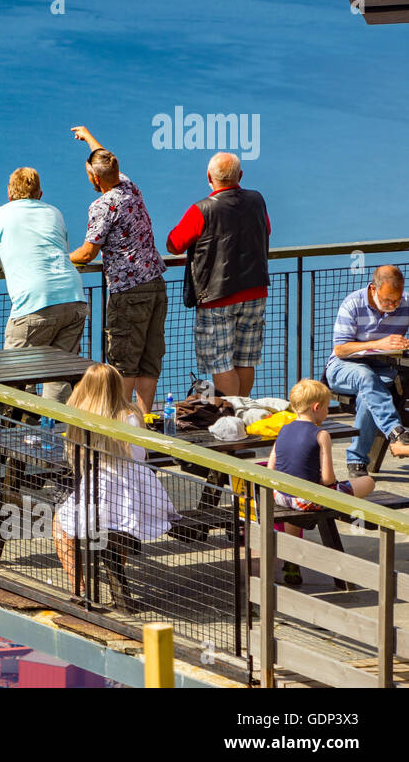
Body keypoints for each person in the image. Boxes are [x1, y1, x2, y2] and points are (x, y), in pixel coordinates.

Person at [66, 126, 168, 413]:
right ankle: (144, 420)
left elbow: (88, 252)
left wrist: (60, 260)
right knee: (149, 358)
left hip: (128, 291)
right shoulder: (129, 187)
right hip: (155, 284)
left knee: (124, 359)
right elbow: (107, 161)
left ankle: (122, 425)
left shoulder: (103, 205)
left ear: (95, 178)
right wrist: (88, 138)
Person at [52, 364, 179, 592]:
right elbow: (140, 455)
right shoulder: (133, 414)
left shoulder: (83, 417)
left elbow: (77, 459)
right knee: (120, 528)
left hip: (103, 487)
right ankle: (115, 582)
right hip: (141, 493)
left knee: (60, 524)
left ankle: (77, 586)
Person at [0, 167, 88, 405]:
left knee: (11, 375)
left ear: (9, 193)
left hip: (34, 303)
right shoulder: (54, 213)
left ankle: (15, 433)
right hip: (74, 298)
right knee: (59, 374)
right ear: (40, 194)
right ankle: (57, 434)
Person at [166, 152, 271, 399]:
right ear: (240, 176)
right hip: (255, 291)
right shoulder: (257, 200)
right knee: (246, 359)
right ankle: (243, 411)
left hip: (216, 297)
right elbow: (267, 229)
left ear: (209, 177)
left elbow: (174, 244)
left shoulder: (201, 209)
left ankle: (230, 416)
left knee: (220, 363)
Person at [267, 379, 376, 585]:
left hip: (281, 497)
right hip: (308, 500)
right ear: (317, 407)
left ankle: (291, 561)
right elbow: (327, 479)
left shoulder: (283, 429)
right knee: (368, 482)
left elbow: (271, 468)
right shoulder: (321, 434)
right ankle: (356, 519)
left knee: (295, 506)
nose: (327, 412)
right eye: (326, 408)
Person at [323, 265, 409, 475]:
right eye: (388, 300)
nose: (393, 305)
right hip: (342, 368)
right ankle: (395, 430)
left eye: (397, 300)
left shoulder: (405, 303)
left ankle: (356, 462)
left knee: (367, 394)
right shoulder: (353, 303)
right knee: (365, 377)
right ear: (373, 289)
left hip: (381, 370)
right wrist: (380, 344)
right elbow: (341, 349)